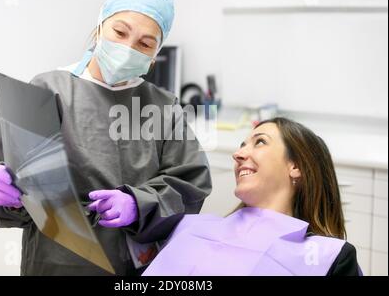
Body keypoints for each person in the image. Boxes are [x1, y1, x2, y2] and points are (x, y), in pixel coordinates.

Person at [0, 0, 212, 276]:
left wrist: (138, 204)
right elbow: (8, 174)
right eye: (120, 31)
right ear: (100, 25)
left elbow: (190, 187)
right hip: (54, 262)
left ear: (155, 55)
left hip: (130, 267)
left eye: (145, 43)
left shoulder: (163, 108)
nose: (128, 47)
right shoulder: (47, 89)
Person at [143, 117, 362, 276]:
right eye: (242, 146)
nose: (237, 155)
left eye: (260, 142)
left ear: (296, 166)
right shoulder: (191, 227)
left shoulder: (328, 258)